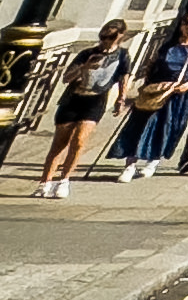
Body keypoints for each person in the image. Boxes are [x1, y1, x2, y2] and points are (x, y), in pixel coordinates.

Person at [35, 20, 135, 198]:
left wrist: (121, 98)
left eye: (111, 37)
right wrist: (84, 67)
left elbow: (123, 77)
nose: (106, 40)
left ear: (120, 36)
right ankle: (45, 182)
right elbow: (66, 78)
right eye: (103, 36)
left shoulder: (123, 55)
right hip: (73, 99)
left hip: (95, 101)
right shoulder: (86, 54)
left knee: (79, 140)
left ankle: (64, 180)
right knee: (59, 143)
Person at [115, 13, 188, 180]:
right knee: (140, 124)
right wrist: (146, 85)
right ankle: (130, 165)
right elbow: (152, 64)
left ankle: (153, 161)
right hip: (158, 88)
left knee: (168, 126)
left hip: (181, 93)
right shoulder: (169, 44)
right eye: (186, 22)